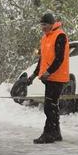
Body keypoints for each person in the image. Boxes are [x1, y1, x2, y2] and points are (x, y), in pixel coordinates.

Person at [28, 12, 70, 144]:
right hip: (48, 77)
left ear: (52, 24)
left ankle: (48, 134)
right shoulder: (45, 38)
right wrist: (34, 74)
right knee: (52, 105)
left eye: (45, 24)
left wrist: (49, 72)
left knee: (49, 106)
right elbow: (42, 59)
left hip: (57, 77)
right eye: (41, 24)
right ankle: (56, 133)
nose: (43, 27)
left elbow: (59, 58)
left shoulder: (60, 36)